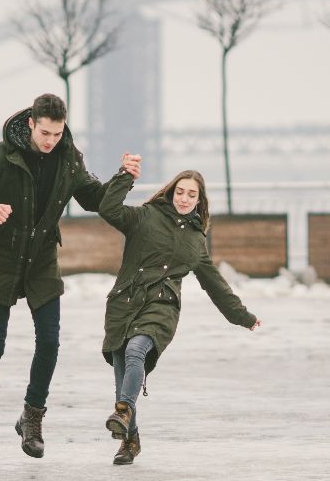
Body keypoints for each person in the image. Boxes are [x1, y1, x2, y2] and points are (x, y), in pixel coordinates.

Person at [0, 93, 141, 466]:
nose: (50, 140)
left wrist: (123, 179)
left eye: (57, 133)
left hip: (42, 261)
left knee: (50, 341)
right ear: (31, 124)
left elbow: (94, 199)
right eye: (45, 132)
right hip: (0, 258)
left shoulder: (68, 158)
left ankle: (31, 419)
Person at [98, 162, 261, 465]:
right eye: (181, 192)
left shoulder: (196, 241)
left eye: (192, 195)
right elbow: (108, 208)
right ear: (172, 192)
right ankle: (130, 440)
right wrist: (124, 177)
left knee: (136, 351)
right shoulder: (144, 217)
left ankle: (121, 411)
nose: (184, 198)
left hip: (161, 309)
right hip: (125, 304)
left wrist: (243, 316)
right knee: (123, 377)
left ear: (199, 201)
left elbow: (215, 284)